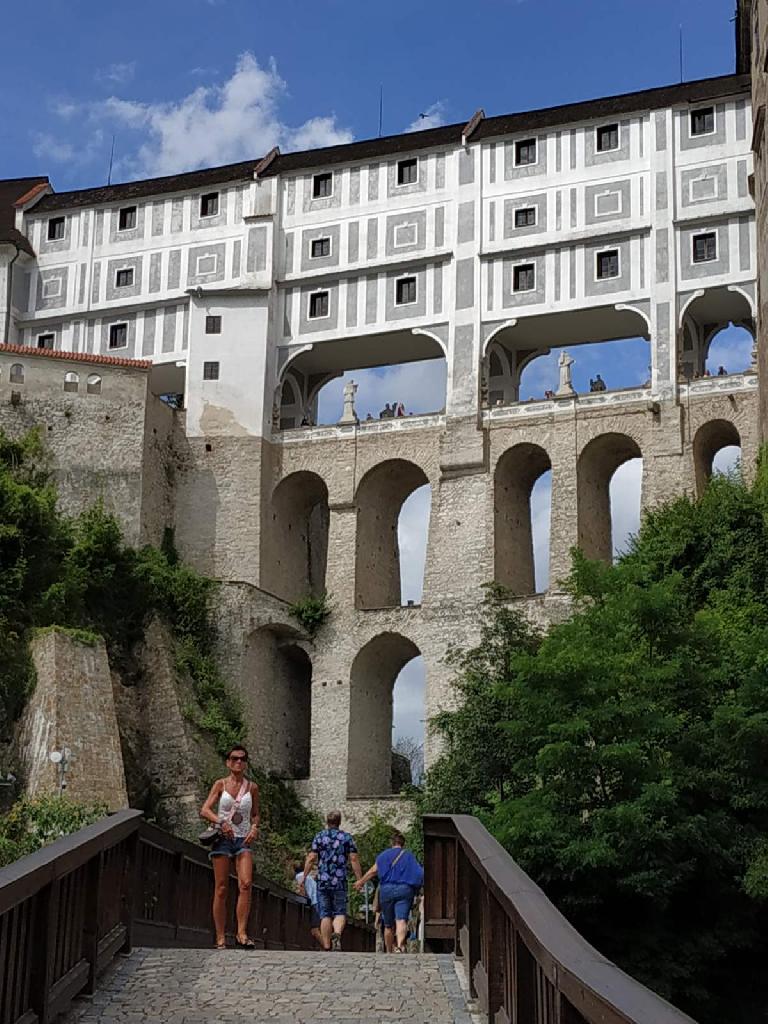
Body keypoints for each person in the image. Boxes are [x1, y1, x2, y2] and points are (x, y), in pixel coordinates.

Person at [200, 745, 260, 950]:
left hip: (243, 839)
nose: (238, 762)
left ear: (246, 763)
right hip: (223, 839)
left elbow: (255, 814)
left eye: (242, 759)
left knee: (246, 883)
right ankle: (220, 936)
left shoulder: (252, 788)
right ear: (228, 762)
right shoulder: (221, 784)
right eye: (234, 758)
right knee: (221, 888)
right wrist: (221, 822)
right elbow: (205, 810)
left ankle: (241, 933)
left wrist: (254, 827)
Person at [300, 810, 362, 951]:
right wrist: (359, 879)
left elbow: (311, 858)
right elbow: (353, 859)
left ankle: (327, 945)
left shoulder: (319, 836)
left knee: (325, 914)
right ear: (339, 822)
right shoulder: (346, 838)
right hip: (339, 880)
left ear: (327, 822)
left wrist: (304, 876)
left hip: (323, 880)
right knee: (340, 912)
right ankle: (337, 934)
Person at [354, 830, 423, 953]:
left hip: (386, 890)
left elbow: (373, 871)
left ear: (392, 843)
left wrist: (361, 881)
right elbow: (419, 873)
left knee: (388, 924)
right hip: (404, 889)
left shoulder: (383, 856)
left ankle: (389, 951)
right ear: (403, 844)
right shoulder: (409, 856)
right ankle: (400, 946)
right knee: (401, 920)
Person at [294, 860, 322, 947]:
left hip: (315, 902)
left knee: (315, 930)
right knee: (320, 928)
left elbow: (302, 892)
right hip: (320, 900)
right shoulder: (308, 876)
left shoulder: (299, 876)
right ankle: (327, 945)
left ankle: (328, 946)